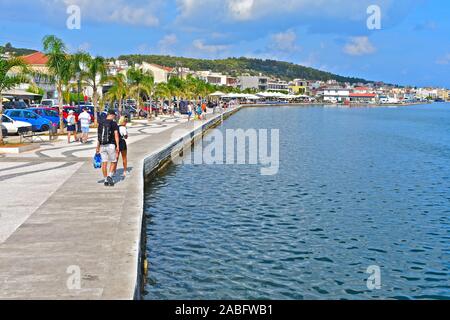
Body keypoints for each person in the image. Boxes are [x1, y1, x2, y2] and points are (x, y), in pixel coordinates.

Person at [96, 110, 120, 187]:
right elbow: (116, 135)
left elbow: (99, 136)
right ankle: (110, 176)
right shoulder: (113, 123)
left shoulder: (101, 123)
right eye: (114, 115)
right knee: (114, 161)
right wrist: (118, 146)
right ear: (112, 115)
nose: (114, 117)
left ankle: (106, 180)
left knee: (104, 163)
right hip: (111, 145)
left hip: (102, 145)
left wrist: (97, 147)